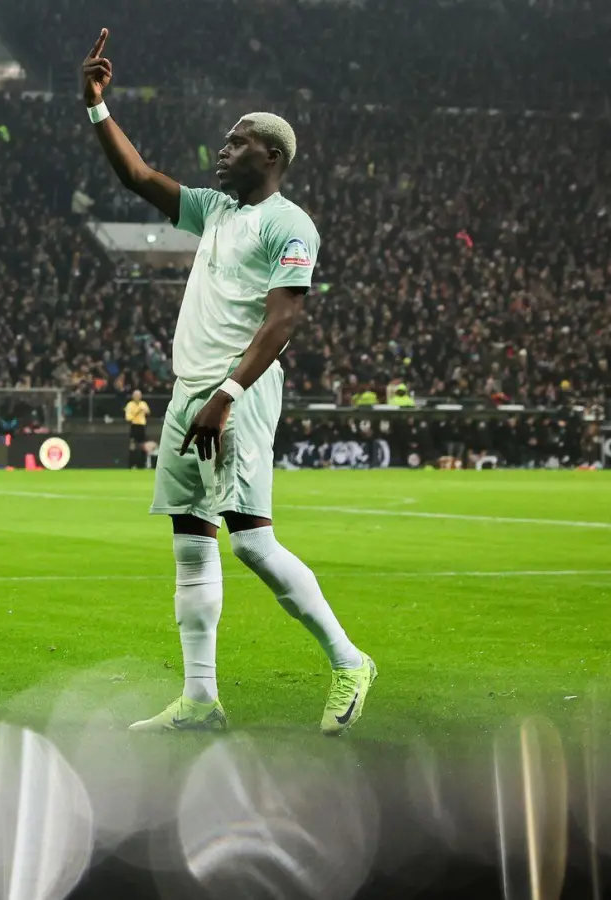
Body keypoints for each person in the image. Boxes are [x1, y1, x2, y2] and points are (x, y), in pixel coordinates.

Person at [82, 29, 375, 735]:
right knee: (191, 544)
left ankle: (349, 660)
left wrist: (228, 395)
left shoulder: (288, 223)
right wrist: (97, 108)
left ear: (271, 156)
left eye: (237, 141)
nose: (223, 148)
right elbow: (139, 178)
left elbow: (284, 321)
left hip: (236, 391)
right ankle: (201, 699)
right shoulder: (215, 210)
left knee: (249, 540)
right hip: (191, 392)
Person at [124, 389, 151, 468]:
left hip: (142, 427)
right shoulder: (130, 405)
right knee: (132, 446)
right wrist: (138, 411)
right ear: (133, 396)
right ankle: (132, 465)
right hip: (134, 426)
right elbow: (128, 418)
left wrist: (146, 411)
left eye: (139, 395)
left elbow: (148, 412)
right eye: (136, 395)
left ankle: (142, 464)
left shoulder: (143, 403)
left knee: (143, 446)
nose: (137, 397)